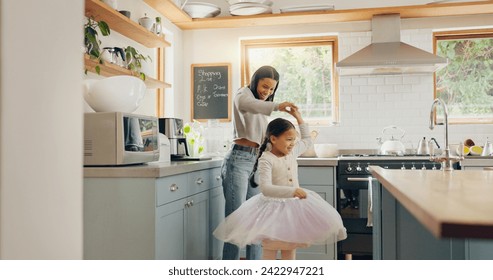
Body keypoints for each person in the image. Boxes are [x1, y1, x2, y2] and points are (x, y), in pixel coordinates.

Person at [214, 108, 347, 260]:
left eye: (293, 140)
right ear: (273, 139)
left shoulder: (293, 151)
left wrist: (298, 117)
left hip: (292, 209)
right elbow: (266, 189)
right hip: (272, 212)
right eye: (288, 139)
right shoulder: (266, 159)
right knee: (271, 248)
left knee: (290, 248)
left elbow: (308, 141)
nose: (292, 144)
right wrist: (292, 192)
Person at [221, 66, 297, 260]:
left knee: (257, 220)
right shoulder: (243, 94)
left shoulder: (263, 106)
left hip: (255, 162)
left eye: (272, 89)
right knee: (236, 220)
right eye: (265, 86)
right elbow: (249, 104)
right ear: (255, 82)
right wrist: (278, 105)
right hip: (238, 161)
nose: (267, 92)